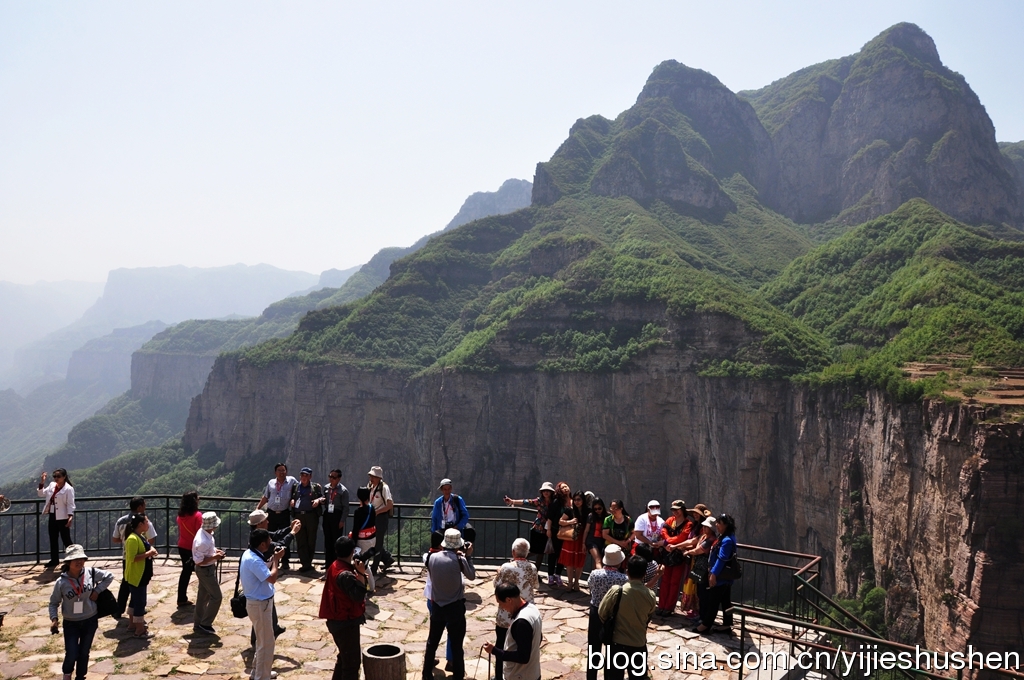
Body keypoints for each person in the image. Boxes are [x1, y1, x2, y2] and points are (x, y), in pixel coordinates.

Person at [48, 544, 114, 680]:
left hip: (90, 619)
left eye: (81, 559)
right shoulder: (61, 583)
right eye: (75, 559)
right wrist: (54, 619)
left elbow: (109, 576)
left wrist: (97, 590)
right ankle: (67, 674)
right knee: (72, 653)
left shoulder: (91, 573)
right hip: (71, 623)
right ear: (68, 562)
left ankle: (80, 676)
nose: (79, 562)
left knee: (84, 652)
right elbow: (53, 603)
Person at [422, 528, 476, 680]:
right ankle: (458, 675)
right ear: (458, 544)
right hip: (455, 608)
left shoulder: (431, 558)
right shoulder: (459, 560)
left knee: (432, 642)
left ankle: (426, 674)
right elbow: (471, 576)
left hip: (437, 606)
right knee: (456, 645)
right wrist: (468, 556)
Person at [319, 536, 371, 680]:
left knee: (344, 658)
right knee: (352, 665)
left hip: (337, 620)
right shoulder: (346, 575)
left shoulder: (335, 566)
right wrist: (360, 574)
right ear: (353, 551)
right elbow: (358, 596)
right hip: (345, 622)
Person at [598, 555, 656, 680]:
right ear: (645, 574)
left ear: (627, 571)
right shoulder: (650, 595)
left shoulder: (617, 591)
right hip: (639, 644)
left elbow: (602, 613)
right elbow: (648, 616)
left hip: (617, 644)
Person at [248, 509, 300, 640]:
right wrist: (293, 533)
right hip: (262, 576)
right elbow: (279, 545)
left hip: (260, 576)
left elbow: (276, 534)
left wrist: (289, 527)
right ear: (259, 524)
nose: (268, 521)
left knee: (269, 600)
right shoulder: (261, 541)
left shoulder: (258, 535)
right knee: (262, 606)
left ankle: (274, 627)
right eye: (265, 520)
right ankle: (256, 639)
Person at [492, 538, 539, 680]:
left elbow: (497, 586)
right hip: (526, 613)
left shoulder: (506, 567)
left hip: (506, 615)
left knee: (501, 645)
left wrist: (498, 572)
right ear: (527, 553)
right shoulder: (533, 568)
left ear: (513, 552)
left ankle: (499, 676)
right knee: (524, 646)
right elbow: (536, 585)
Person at [242, 529, 284, 680]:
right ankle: (261, 677)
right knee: (266, 642)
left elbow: (263, 570)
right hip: (260, 605)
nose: (270, 543)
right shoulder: (253, 560)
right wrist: (277, 561)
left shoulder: (250, 554)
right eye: (268, 541)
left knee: (263, 640)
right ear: (261, 544)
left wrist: (273, 558)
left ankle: (259, 672)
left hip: (258, 603)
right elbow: (271, 578)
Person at [585, 544, 628, 680]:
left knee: (594, 648)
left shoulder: (595, 574)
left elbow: (590, 587)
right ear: (619, 561)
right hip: (613, 616)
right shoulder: (623, 579)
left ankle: (591, 677)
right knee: (612, 649)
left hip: (596, 612)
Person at [484, 583, 543, 680]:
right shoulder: (533, 609)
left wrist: (494, 650)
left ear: (508, 600)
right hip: (533, 673)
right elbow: (538, 638)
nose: (501, 607)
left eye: (500, 603)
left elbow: (523, 657)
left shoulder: (521, 622)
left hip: (520, 676)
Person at [112, 497, 156, 619]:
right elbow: (151, 539)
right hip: (140, 558)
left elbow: (115, 539)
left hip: (126, 557)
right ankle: (138, 610)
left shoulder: (120, 521)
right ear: (140, 507)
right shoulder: (144, 522)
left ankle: (119, 609)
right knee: (139, 585)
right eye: (144, 505)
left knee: (126, 583)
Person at [503, 482, 555, 578]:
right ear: (542, 492)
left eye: (548, 491)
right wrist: (512, 501)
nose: (546, 492)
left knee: (541, 553)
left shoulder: (554, 502)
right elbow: (526, 501)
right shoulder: (539, 501)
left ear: (551, 492)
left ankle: (535, 573)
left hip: (548, 530)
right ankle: (515, 561)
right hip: (537, 529)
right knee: (535, 551)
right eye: (544, 491)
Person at [700, 514, 737, 635]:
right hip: (725, 577)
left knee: (713, 601)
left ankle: (705, 625)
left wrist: (713, 574)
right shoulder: (727, 537)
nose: (716, 525)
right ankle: (727, 625)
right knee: (726, 601)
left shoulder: (726, 541)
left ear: (726, 525)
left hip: (721, 576)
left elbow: (722, 559)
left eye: (719, 523)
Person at [257, 463, 298, 570]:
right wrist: (257, 509)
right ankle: (271, 559)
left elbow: (301, 488)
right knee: (269, 537)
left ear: (287, 471)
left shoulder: (292, 481)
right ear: (275, 472)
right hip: (271, 514)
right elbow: (266, 497)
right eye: (279, 470)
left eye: (283, 470)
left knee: (286, 536)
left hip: (284, 513)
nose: (282, 472)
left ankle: (285, 561)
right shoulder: (271, 483)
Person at [656, 500, 693, 617]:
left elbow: (682, 537)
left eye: (677, 509)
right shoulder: (670, 520)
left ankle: (669, 607)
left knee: (674, 582)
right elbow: (663, 531)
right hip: (667, 555)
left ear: (683, 510)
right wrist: (667, 543)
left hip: (678, 556)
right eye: (673, 510)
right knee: (665, 581)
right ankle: (661, 605)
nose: (675, 512)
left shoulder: (688, 524)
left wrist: (667, 542)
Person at [124, 513, 158, 638]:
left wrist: (150, 550)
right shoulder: (133, 539)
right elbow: (133, 558)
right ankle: (140, 630)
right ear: (140, 524)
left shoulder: (140, 536)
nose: (148, 524)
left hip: (140, 575)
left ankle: (132, 624)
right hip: (137, 575)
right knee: (140, 602)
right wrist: (149, 553)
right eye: (146, 522)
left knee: (134, 600)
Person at [192, 511, 225, 635]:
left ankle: (198, 622)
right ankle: (206, 623)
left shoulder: (205, 533)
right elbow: (199, 561)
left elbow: (207, 551)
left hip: (206, 569)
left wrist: (216, 552)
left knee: (203, 596)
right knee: (217, 597)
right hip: (205, 570)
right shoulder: (202, 541)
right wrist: (215, 557)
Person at [38, 468, 76, 569]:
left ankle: (71, 561)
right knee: (53, 538)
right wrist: (42, 481)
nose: (56, 478)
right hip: (52, 515)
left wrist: (70, 516)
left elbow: (70, 504)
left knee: (66, 540)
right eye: (54, 476)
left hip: (63, 517)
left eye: (58, 476)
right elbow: (41, 494)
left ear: (64, 477)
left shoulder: (68, 489)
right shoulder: (51, 485)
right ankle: (54, 560)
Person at [686, 515, 718, 634]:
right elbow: (692, 541)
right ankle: (700, 615)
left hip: (704, 570)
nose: (704, 528)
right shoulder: (704, 536)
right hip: (698, 567)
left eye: (707, 527)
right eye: (704, 526)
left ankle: (703, 618)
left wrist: (688, 552)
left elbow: (699, 550)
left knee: (704, 593)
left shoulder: (711, 539)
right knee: (699, 591)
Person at [290, 467, 325, 573]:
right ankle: (305, 564)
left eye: (306, 475)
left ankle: (308, 562)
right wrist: (292, 500)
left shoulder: (315, 487)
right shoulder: (295, 487)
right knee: (300, 539)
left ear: (310, 477)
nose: (304, 477)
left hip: (311, 516)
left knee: (311, 540)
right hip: (299, 516)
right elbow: (291, 497)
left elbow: (324, 498)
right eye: (302, 475)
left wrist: (318, 500)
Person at [366, 466, 395, 574]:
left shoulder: (384, 488)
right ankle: (387, 558)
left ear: (379, 477)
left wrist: (377, 512)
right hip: (372, 517)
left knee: (377, 543)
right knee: (372, 542)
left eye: (373, 476)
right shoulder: (370, 486)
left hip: (381, 518)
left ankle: (374, 568)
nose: (371, 478)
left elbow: (390, 504)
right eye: (370, 476)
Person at [176, 491, 203, 607]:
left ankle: (181, 598)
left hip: (182, 546)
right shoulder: (198, 516)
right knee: (203, 572)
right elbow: (199, 533)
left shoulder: (180, 516)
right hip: (194, 548)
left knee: (185, 573)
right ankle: (206, 597)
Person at [558, 491, 587, 591]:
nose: (576, 502)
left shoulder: (587, 511)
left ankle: (576, 583)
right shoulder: (569, 510)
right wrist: (570, 521)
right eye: (575, 500)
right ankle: (570, 583)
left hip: (581, 539)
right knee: (569, 562)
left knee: (579, 562)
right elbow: (560, 521)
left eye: (579, 499)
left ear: (583, 500)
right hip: (570, 539)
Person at [322, 469, 350, 568]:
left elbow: (346, 508)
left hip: (337, 516)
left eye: (334, 477)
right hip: (327, 515)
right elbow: (325, 501)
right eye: (330, 476)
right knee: (327, 540)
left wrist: (342, 520)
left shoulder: (343, 491)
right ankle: (328, 563)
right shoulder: (326, 488)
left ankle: (336, 563)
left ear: (339, 478)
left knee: (336, 541)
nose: (331, 479)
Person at [583, 496, 608, 571]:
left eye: (599, 508)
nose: (597, 511)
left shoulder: (607, 516)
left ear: (603, 507)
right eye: (595, 509)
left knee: (600, 561)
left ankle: (594, 579)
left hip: (603, 541)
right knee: (598, 560)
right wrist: (583, 543)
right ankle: (601, 577)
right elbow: (586, 530)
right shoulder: (591, 516)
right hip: (592, 541)